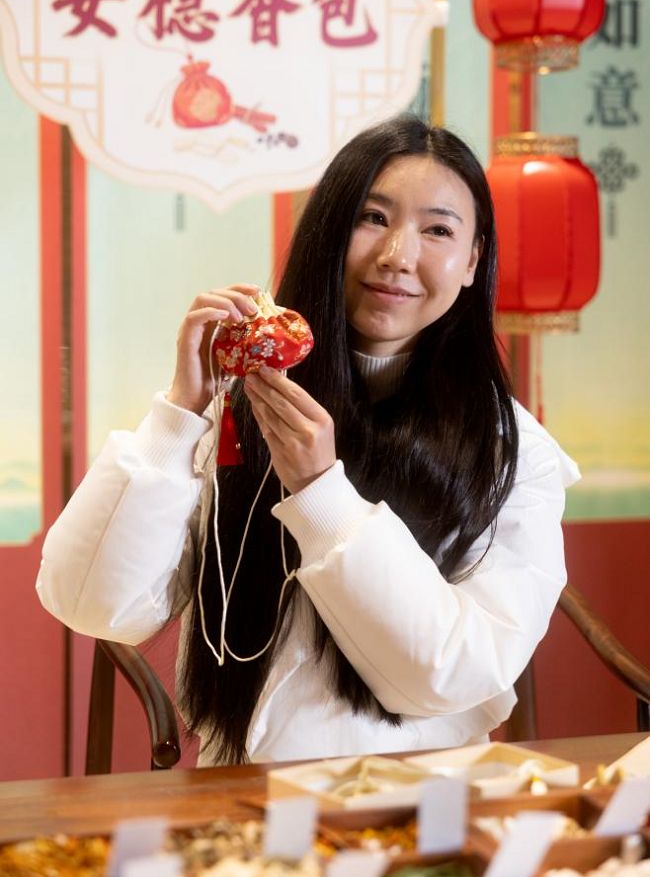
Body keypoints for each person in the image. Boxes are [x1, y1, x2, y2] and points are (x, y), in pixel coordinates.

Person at [37, 113, 579, 767]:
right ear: (327, 232)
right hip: (236, 798)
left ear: (472, 260)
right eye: (372, 217)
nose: (398, 255)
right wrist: (179, 415)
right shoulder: (242, 407)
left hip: (410, 797)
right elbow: (95, 604)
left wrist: (321, 493)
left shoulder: (512, 451)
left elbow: (455, 671)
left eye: (437, 229)